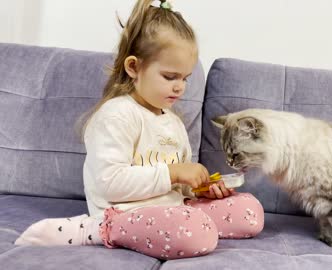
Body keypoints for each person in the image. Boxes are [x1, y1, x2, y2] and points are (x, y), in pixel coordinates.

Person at [14, 0, 264, 260]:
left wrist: (199, 190)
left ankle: (192, 222)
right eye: (170, 77)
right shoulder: (117, 115)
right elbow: (110, 184)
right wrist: (173, 172)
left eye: (185, 78)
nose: (180, 87)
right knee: (195, 231)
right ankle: (99, 230)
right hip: (124, 212)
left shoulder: (174, 124)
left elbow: (176, 187)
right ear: (134, 67)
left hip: (174, 210)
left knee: (249, 211)